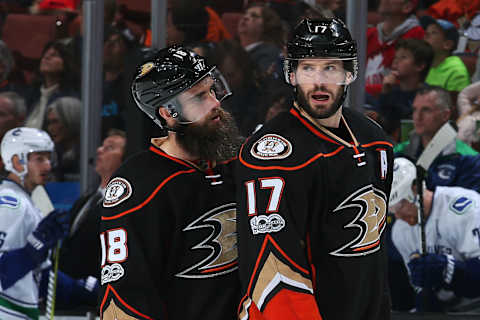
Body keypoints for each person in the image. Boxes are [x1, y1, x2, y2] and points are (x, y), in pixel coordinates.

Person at [235, 18, 394, 320]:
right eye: (308, 68)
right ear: (291, 75)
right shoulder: (272, 155)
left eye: (330, 68)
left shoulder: (376, 141)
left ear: (350, 73)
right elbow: (273, 265)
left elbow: (373, 256)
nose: (319, 81)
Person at [98, 46, 242, 319]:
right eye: (199, 97)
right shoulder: (140, 185)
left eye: (212, 90)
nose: (215, 103)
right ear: (167, 112)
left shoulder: (236, 165)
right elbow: (124, 295)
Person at [0, 127, 96, 319]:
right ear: (17, 162)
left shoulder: (28, 201)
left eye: (48, 158)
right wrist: (34, 248)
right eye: (39, 159)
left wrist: (83, 288)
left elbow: (40, 275)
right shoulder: (10, 203)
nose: (48, 166)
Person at [389, 157, 480, 311]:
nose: (398, 216)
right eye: (391, 210)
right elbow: (420, 288)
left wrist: (449, 269)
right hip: (446, 310)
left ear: (416, 188)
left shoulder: (467, 207)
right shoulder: (400, 232)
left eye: (401, 205)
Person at [59, 129, 126, 308]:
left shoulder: (125, 205)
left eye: (109, 148)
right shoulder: (84, 201)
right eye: (102, 146)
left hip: (97, 301)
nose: (99, 150)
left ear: (125, 159)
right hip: (69, 298)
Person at [394, 86, 479, 190]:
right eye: (415, 110)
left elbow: (471, 202)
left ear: (445, 115)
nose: (417, 116)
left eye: (426, 110)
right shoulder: (399, 152)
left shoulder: (468, 158)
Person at [366, 0, 424, 96]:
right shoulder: (370, 34)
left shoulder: (416, 34)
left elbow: (407, 82)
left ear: (407, 7)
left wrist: (359, 91)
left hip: (393, 102)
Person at [422, 16, 470, 112]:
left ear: (447, 44)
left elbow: (454, 109)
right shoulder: (423, 65)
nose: (426, 35)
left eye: (433, 32)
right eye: (426, 32)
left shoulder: (456, 71)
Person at [46, 96, 81, 182]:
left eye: (55, 122)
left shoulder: (88, 154)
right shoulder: (51, 154)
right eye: (49, 123)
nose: (50, 128)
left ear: (71, 119)